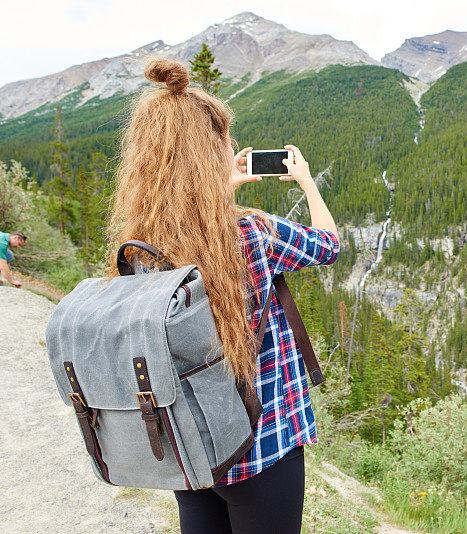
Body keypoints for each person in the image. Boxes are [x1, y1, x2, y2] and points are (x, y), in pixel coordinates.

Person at [102, 57, 340, 533]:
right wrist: (307, 181)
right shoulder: (251, 233)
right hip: (262, 447)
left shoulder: (139, 245)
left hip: (191, 446)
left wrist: (216, 189)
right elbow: (328, 245)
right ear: (211, 153)